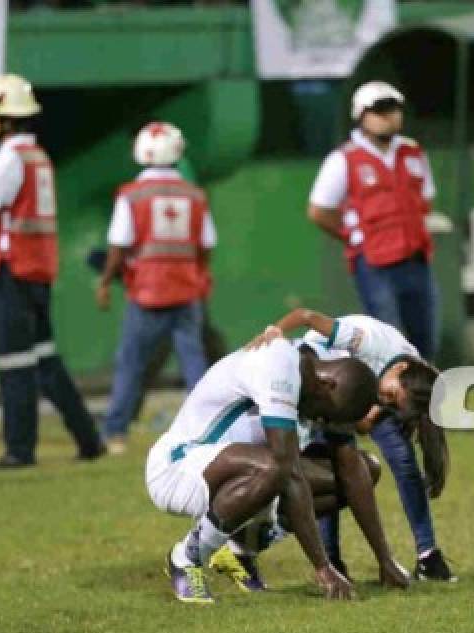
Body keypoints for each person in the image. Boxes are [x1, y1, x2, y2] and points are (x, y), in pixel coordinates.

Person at [147, 338, 404, 604]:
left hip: (239, 471)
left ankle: (242, 548)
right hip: (177, 470)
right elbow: (288, 471)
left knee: (362, 470)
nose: (320, 422)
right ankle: (186, 559)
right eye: (325, 415)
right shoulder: (278, 369)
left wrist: (385, 560)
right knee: (276, 466)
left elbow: (340, 473)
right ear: (327, 384)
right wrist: (323, 568)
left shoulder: (311, 385)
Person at [247, 309, 454, 582]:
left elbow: (369, 420)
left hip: (358, 386)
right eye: (391, 397)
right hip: (323, 374)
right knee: (332, 467)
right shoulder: (363, 343)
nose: (388, 401)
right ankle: (328, 559)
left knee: (401, 460)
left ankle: (427, 556)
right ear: (401, 369)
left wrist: (378, 408)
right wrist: (274, 332)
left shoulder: (409, 379)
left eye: (394, 404)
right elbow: (307, 316)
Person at [0, 73, 103, 468]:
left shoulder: (10, 156)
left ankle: (19, 449)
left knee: (15, 362)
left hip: (14, 271)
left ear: (5, 116)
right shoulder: (38, 155)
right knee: (45, 358)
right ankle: (87, 439)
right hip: (38, 269)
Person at [97, 122, 214, 456]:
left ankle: (116, 433)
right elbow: (206, 244)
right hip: (187, 290)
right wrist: (199, 275)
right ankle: (208, 429)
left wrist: (105, 281)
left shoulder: (131, 195)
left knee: (131, 363)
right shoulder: (194, 195)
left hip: (147, 292)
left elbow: (119, 246)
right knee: (194, 365)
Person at [307, 81, 439, 361]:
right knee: (388, 342)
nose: (388, 115)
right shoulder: (344, 159)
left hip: (415, 257)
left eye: (393, 108)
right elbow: (319, 210)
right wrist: (353, 236)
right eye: (379, 109)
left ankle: (424, 399)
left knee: (425, 337)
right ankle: (391, 401)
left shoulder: (412, 152)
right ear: (361, 115)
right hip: (375, 262)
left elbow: (425, 199)